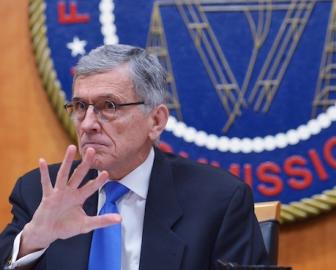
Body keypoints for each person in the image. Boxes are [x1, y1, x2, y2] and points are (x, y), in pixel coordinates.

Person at [0, 44, 268, 270]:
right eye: (81, 106)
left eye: (109, 106)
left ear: (156, 120)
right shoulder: (39, 193)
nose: (87, 124)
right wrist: (33, 241)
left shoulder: (218, 201)